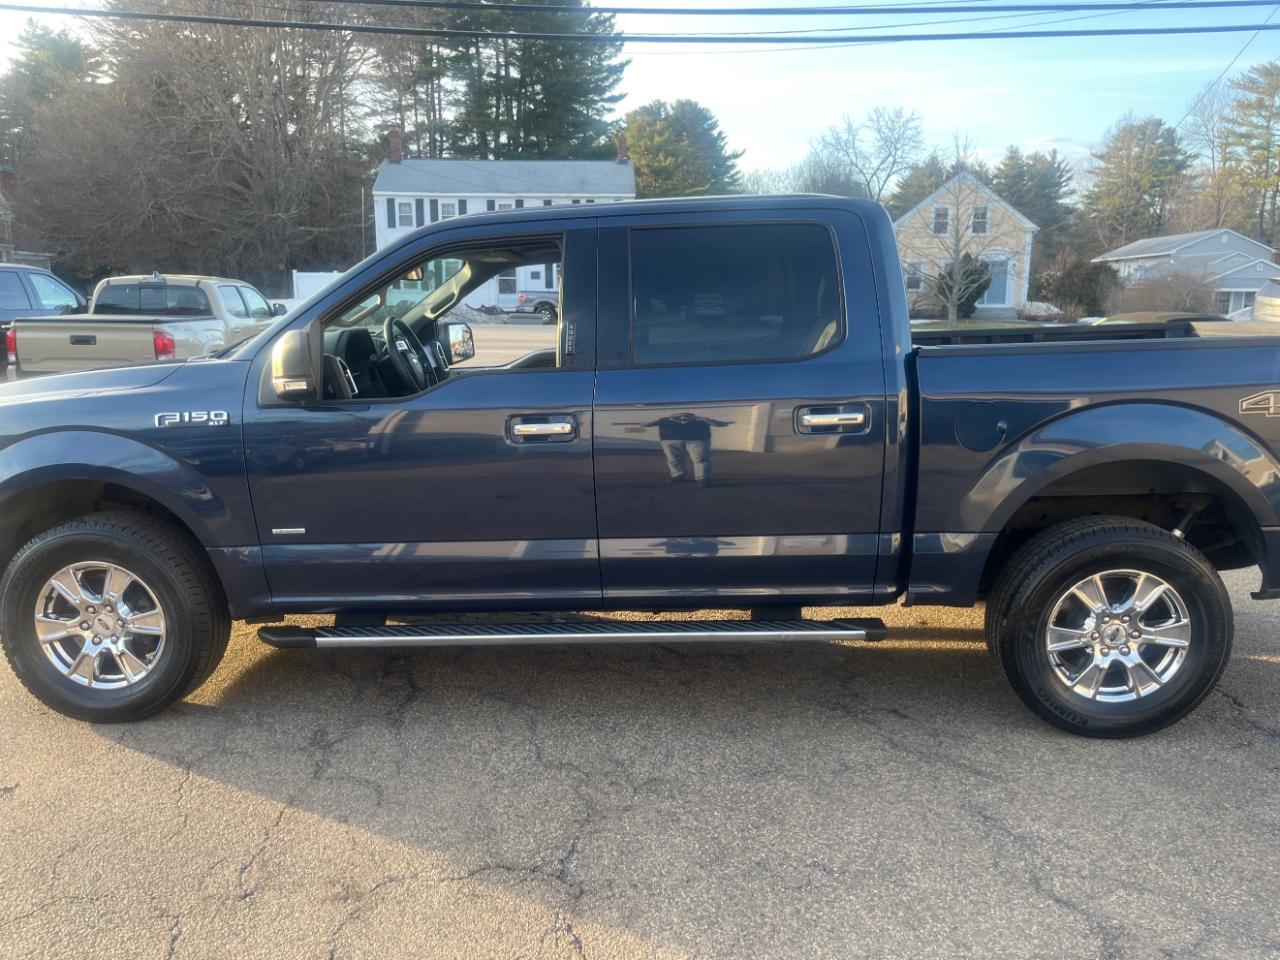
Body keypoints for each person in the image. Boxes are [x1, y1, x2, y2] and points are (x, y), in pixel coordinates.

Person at [645, 412, 731, 485]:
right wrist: (655, 421)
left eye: (686, 416)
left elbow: (722, 424)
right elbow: (645, 424)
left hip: (698, 440)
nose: (682, 417)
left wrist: (707, 419)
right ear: (672, 416)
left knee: (700, 459)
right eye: (678, 416)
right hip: (670, 440)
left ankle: (702, 479)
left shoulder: (701, 419)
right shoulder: (664, 420)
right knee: (673, 459)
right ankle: (678, 476)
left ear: (692, 415)